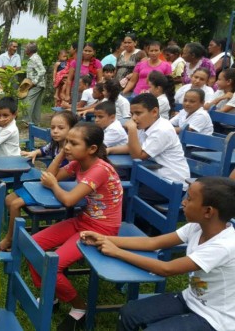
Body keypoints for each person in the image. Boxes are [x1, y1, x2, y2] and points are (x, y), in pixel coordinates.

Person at [81, 177, 235, 331]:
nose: (183, 202)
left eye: (189, 198)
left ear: (208, 211)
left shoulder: (223, 246)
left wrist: (117, 252)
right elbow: (153, 243)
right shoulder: (196, 227)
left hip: (215, 319)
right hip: (190, 298)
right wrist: (104, 239)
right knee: (129, 313)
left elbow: (166, 269)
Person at [28, 122, 123, 330]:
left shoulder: (99, 169)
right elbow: (52, 175)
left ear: (92, 149)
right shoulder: (79, 163)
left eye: (73, 143)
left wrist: (53, 185)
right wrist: (62, 154)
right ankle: (50, 297)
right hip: (84, 221)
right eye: (66, 142)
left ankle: (80, 308)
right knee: (32, 246)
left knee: (55, 264)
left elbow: (69, 200)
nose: (67, 146)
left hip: (102, 229)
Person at [2, 111, 79, 251]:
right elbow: (43, 150)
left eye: (61, 128)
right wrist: (34, 153)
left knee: (15, 204)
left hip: (61, 189)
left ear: (73, 130)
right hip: (47, 184)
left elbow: (54, 177)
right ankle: (17, 232)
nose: (55, 131)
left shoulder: (72, 153)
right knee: (8, 199)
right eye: (53, 127)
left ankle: (11, 239)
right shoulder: (55, 145)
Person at [107, 93, 190, 203]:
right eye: (132, 114)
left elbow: (138, 156)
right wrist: (110, 150)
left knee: (122, 196)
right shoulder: (144, 124)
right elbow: (132, 147)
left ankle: (135, 219)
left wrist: (132, 129)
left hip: (170, 184)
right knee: (115, 177)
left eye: (138, 113)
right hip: (152, 176)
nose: (134, 118)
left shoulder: (162, 130)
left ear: (154, 112)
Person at [24, 42, 46, 125]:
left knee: (27, 101)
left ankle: (27, 121)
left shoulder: (34, 58)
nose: (25, 50)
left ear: (29, 50)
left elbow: (42, 70)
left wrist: (34, 82)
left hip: (37, 85)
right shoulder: (33, 57)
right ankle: (36, 123)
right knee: (36, 104)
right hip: (38, 84)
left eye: (26, 48)